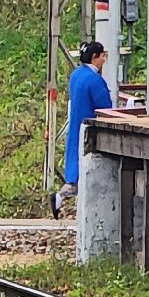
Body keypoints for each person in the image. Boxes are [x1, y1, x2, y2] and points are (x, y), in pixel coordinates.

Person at [56, 40, 113, 217]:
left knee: (74, 164)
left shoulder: (76, 75)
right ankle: (66, 199)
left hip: (76, 124)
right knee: (87, 168)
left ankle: (60, 197)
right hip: (90, 129)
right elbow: (105, 107)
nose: (104, 60)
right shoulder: (94, 80)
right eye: (103, 56)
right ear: (95, 57)